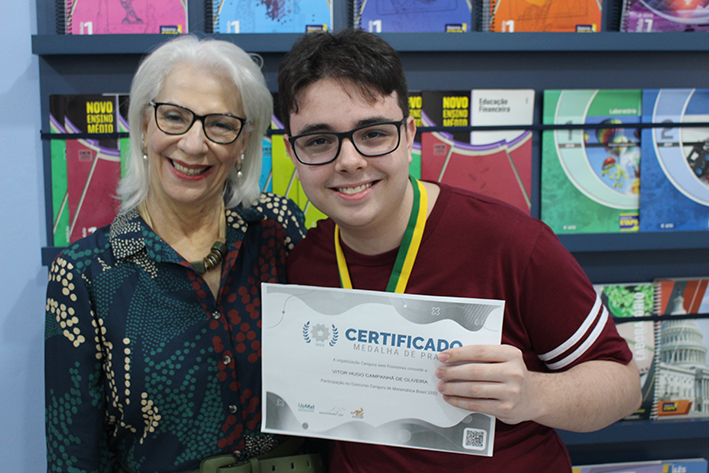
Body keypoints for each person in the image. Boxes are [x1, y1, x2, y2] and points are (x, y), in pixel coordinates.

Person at [278, 28, 642, 472]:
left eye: (372, 134)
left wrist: (534, 395)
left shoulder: (512, 243)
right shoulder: (303, 265)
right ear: (292, 152)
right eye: (319, 141)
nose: (349, 160)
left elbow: (624, 387)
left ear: (408, 134)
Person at [44, 35, 313, 473]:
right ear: (144, 125)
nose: (193, 144)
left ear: (243, 143)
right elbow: (74, 454)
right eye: (174, 117)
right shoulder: (85, 273)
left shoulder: (278, 230)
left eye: (220, 124)